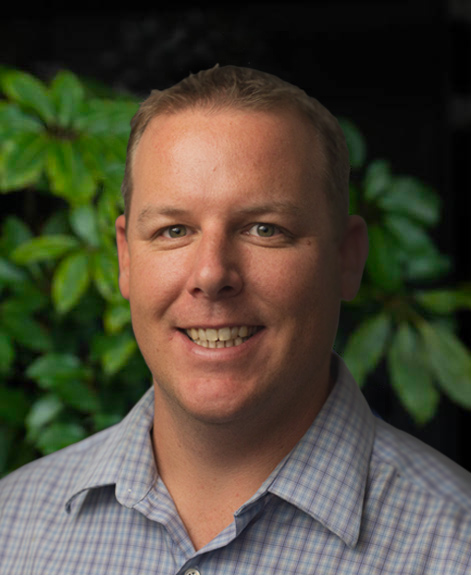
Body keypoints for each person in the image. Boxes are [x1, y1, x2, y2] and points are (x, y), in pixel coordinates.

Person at [1, 65, 470, 575]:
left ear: (347, 258)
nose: (211, 275)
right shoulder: (10, 527)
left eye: (264, 229)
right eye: (174, 230)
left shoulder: (457, 544)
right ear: (126, 259)